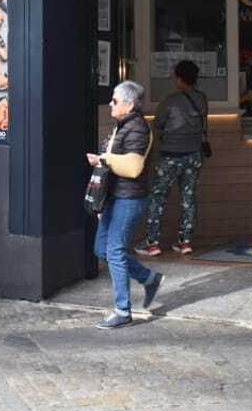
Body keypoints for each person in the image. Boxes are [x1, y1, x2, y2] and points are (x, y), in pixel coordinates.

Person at [85, 80, 163, 330]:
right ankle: (148, 278)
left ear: (129, 104)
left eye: (115, 100)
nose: (111, 103)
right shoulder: (124, 126)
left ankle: (122, 311)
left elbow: (133, 166)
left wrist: (104, 159)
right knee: (101, 249)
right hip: (116, 197)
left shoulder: (138, 127)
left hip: (129, 199)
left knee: (115, 250)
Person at [137, 59, 211, 257]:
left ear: (179, 78)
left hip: (170, 156)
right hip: (194, 155)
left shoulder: (170, 100)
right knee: (189, 197)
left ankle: (152, 243)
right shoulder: (202, 98)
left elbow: (159, 124)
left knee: (158, 197)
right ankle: (185, 241)